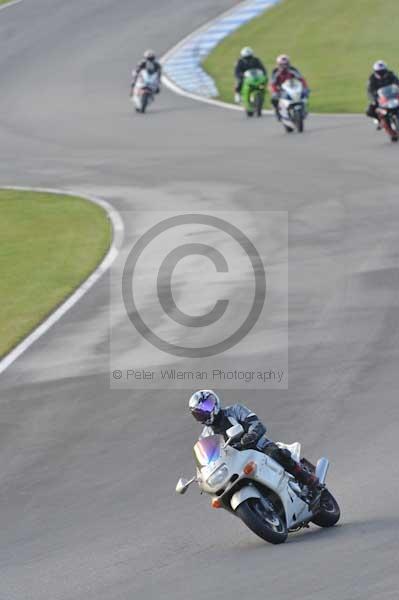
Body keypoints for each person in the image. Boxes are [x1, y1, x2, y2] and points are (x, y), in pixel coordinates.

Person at [189, 390, 321, 504]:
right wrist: (202, 474)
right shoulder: (206, 436)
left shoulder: (235, 410)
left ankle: (307, 479)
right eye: (200, 412)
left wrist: (250, 435)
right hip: (234, 463)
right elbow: (208, 457)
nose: (205, 412)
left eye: (207, 406)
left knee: (276, 454)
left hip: (258, 447)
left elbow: (256, 423)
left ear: (215, 402)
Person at [269, 54, 309, 120]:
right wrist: (275, 91)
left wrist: (305, 87)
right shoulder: (275, 72)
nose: (284, 66)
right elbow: (272, 83)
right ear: (278, 64)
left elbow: (301, 79)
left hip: (293, 88)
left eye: (286, 64)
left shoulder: (293, 70)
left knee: (304, 94)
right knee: (274, 99)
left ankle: (304, 109)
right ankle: (277, 113)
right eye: (282, 65)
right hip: (281, 90)